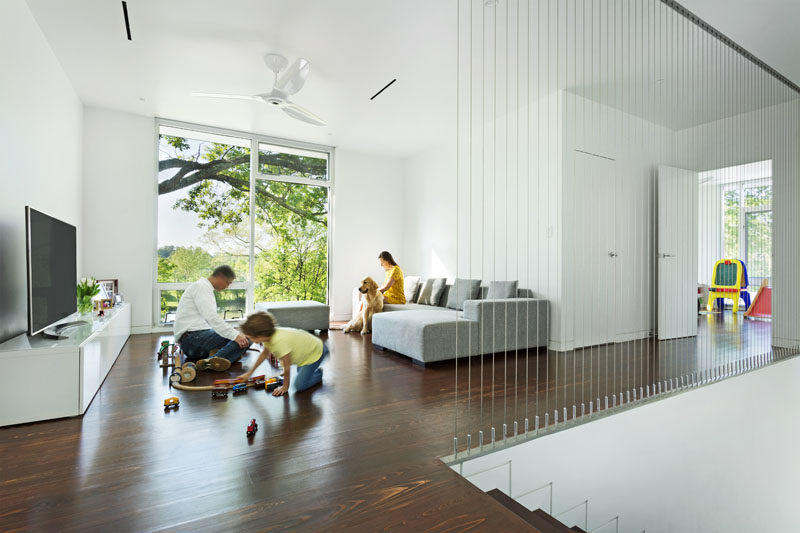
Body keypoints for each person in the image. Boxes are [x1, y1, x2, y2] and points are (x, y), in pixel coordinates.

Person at [173, 265, 250, 371]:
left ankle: (216, 358)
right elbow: (212, 317)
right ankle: (212, 361)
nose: (227, 287)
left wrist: (235, 335)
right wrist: (235, 336)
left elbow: (211, 320)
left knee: (240, 337)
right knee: (247, 338)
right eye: (228, 282)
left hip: (194, 339)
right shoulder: (202, 287)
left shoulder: (204, 288)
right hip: (192, 341)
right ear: (220, 276)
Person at [238, 312, 328, 396]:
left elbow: (287, 366)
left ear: (261, 336)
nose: (249, 339)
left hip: (315, 353)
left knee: (299, 385)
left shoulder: (279, 342)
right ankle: (311, 371)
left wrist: (285, 387)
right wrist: (249, 373)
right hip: (308, 349)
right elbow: (263, 355)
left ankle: (319, 374)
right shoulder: (268, 337)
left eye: (250, 337)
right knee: (300, 374)